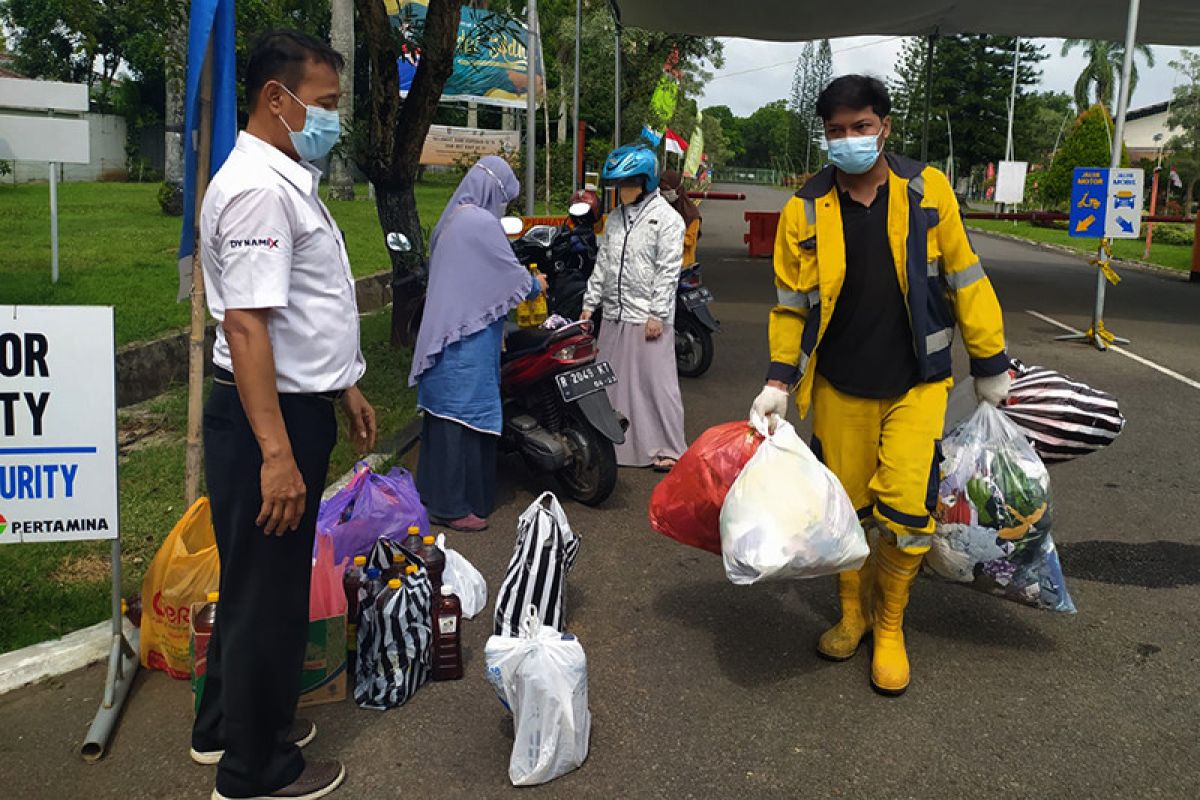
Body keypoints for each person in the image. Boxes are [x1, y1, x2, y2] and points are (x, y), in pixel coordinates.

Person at [750, 75, 1011, 696]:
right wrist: (777, 380)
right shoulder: (805, 208)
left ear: (884, 127)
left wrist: (991, 362)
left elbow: (966, 276)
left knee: (904, 508)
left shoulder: (925, 191)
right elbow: (790, 305)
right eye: (837, 131)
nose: (849, 140)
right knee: (847, 513)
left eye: (861, 127)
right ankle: (853, 613)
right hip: (839, 385)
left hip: (917, 382)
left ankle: (889, 626)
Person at [192, 30, 376, 800]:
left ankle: (224, 727)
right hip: (269, 421)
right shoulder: (261, 190)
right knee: (268, 596)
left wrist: (345, 384)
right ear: (279, 98)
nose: (332, 118)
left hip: (286, 405)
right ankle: (255, 768)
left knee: (250, 582)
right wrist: (277, 454)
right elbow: (247, 327)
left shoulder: (282, 176)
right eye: (325, 104)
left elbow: (302, 316)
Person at [410, 156, 547, 532]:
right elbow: (507, 274)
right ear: (494, 191)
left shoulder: (450, 218)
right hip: (466, 341)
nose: (503, 207)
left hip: (444, 334)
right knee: (464, 419)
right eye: (505, 198)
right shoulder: (481, 223)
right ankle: (456, 506)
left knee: (443, 419)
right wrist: (537, 284)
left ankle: (434, 495)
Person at [582, 145, 687, 471]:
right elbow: (604, 263)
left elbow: (668, 270)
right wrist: (590, 304)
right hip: (614, 314)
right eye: (618, 185)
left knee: (656, 384)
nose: (621, 191)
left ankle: (669, 447)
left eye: (628, 183)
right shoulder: (615, 218)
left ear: (646, 181)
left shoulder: (668, 220)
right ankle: (612, 443)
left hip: (647, 318)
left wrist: (657, 313)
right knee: (608, 383)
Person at [659, 169, 702, 267]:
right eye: (661, 189)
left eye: (667, 189)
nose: (664, 192)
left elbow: (690, 241)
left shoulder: (691, 214)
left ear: (677, 188)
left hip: (683, 266)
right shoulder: (659, 208)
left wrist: (667, 237)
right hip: (661, 265)